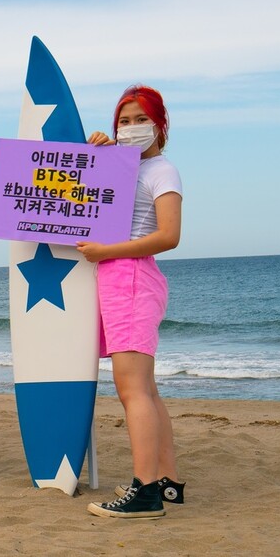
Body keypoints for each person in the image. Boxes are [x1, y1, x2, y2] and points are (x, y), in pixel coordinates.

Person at [77, 85, 185, 518]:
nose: (131, 128)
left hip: (132, 278)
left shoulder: (163, 170)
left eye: (141, 119)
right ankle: (167, 482)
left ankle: (145, 494)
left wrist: (106, 252)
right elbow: (82, 194)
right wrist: (95, 152)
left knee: (132, 390)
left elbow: (169, 235)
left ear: (160, 125)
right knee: (148, 389)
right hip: (123, 279)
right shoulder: (122, 167)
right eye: (123, 120)